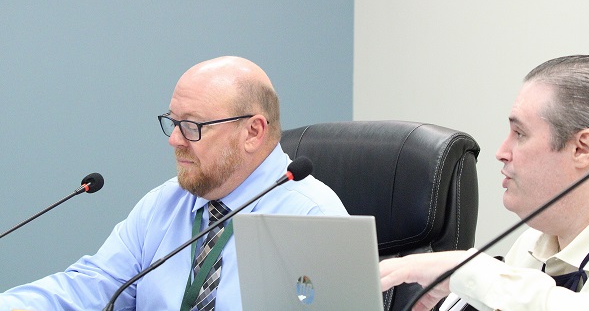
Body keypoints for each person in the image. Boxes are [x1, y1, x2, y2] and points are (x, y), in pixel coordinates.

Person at [0, 56, 348, 310]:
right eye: (173, 122)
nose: (175, 140)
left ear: (253, 132)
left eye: (193, 126)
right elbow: (91, 286)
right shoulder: (164, 204)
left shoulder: (311, 217)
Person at [380, 54, 589, 311]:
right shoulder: (531, 245)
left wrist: (470, 272)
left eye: (520, 134)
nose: (502, 152)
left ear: (581, 148)